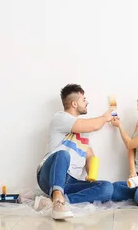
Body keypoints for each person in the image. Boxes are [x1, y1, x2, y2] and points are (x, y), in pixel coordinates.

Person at [35, 84, 114, 220]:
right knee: (62, 154)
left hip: (70, 182)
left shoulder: (83, 132)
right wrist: (105, 117)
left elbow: (89, 156)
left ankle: (56, 202)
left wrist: (91, 175)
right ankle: (58, 199)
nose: (87, 102)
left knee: (107, 188)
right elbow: (94, 125)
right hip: (49, 175)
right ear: (74, 103)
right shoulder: (60, 118)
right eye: (84, 99)